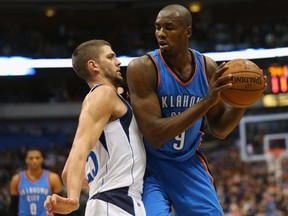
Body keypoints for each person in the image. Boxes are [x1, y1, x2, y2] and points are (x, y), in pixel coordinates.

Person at [126, 4, 266, 216]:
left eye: (169, 27)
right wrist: (205, 102)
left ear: (187, 32)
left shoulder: (208, 67)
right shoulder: (143, 68)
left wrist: (243, 102)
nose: (161, 34)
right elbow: (154, 135)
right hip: (150, 166)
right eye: (157, 28)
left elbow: (219, 129)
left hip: (188, 163)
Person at [44, 39, 146, 215]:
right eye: (110, 56)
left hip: (113, 200)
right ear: (94, 65)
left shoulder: (105, 100)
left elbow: (68, 173)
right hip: (115, 202)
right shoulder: (102, 94)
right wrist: (74, 199)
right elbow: (79, 148)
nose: (118, 61)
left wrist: (99, 180)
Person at [9, 147, 62, 216]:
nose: (34, 161)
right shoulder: (16, 179)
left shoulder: (53, 178)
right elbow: (13, 207)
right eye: (31, 158)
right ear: (26, 160)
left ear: (42, 159)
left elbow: (60, 206)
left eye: (37, 158)